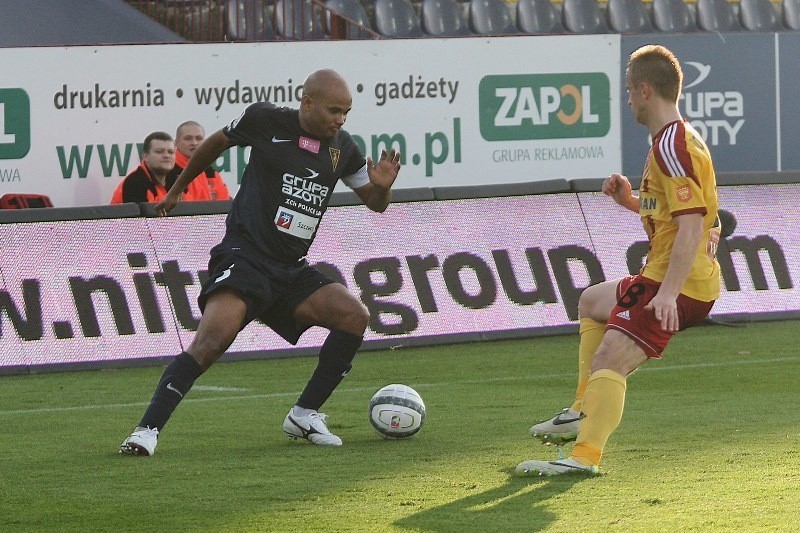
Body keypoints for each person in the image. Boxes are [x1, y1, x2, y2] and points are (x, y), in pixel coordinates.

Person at [119, 69, 402, 456]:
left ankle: (304, 414)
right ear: (308, 103)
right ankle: (146, 430)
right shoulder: (265, 119)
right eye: (335, 110)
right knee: (212, 340)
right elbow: (217, 142)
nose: (341, 119)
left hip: (291, 269)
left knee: (354, 315)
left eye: (346, 112)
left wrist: (383, 188)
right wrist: (179, 187)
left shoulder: (344, 148)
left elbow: (374, 203)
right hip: (246, 256)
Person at [516, 45, 721, 476]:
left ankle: (583, 457)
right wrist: (630, 200)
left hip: (677, 283)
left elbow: (690, 226)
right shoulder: (678, 139)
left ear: (645, 90)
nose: (627, 99)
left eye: (629, 91)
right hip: (676, 276)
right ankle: (579, 411)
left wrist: (666, 295)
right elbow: (680, 217)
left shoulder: (672, 146)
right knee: (592, 301)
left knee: (610, 358)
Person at [110, 131, 212, 204]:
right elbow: (139, 228)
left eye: (170, 152)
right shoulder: (134, 183)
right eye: (159, 151)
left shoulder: (179, 180)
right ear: (145, 156)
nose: (166, 155)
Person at [169, 120, 232, 201]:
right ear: (176, 142)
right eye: (188, 138)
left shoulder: (211, 174)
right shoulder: (168, 173)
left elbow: (224, 203)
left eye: (199, 138)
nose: (194, 143)